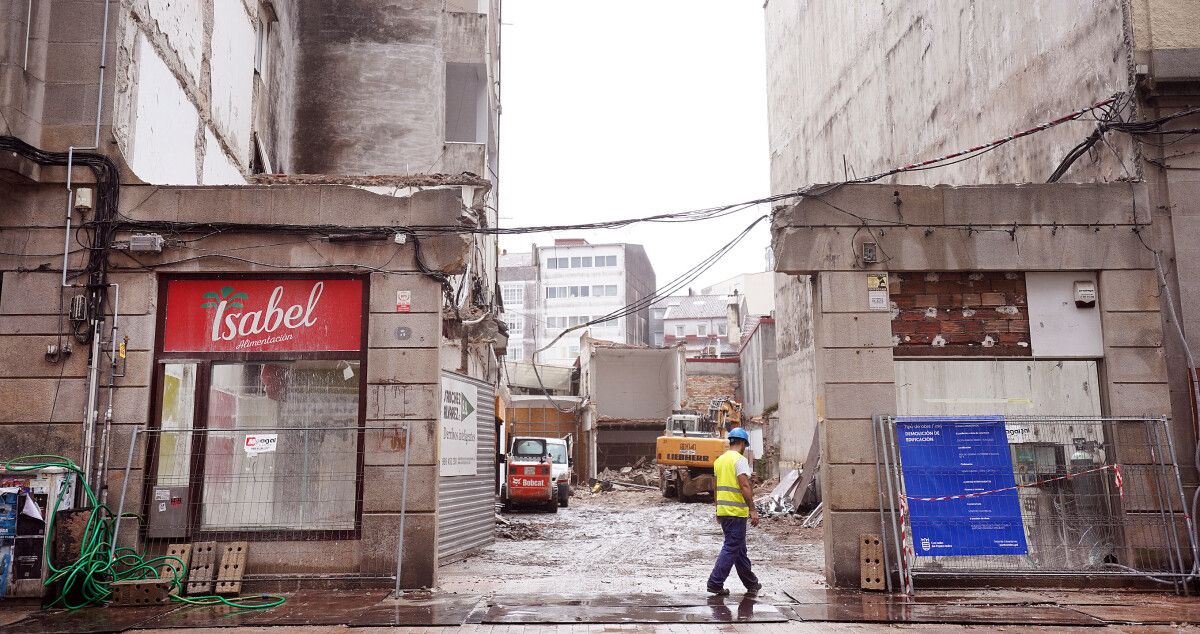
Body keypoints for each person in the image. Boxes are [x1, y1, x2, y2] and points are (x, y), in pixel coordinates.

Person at [707, 427, 761, 597]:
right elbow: (744, 485)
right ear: (743, 443)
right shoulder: (739, 460)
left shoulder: (720, 461)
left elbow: (715, 488)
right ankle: (715, 583)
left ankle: (751, 583)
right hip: (735, 512)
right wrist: (752, 509)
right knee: (732, 547)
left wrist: (717, 509)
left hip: (724, 511)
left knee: (739, 548)